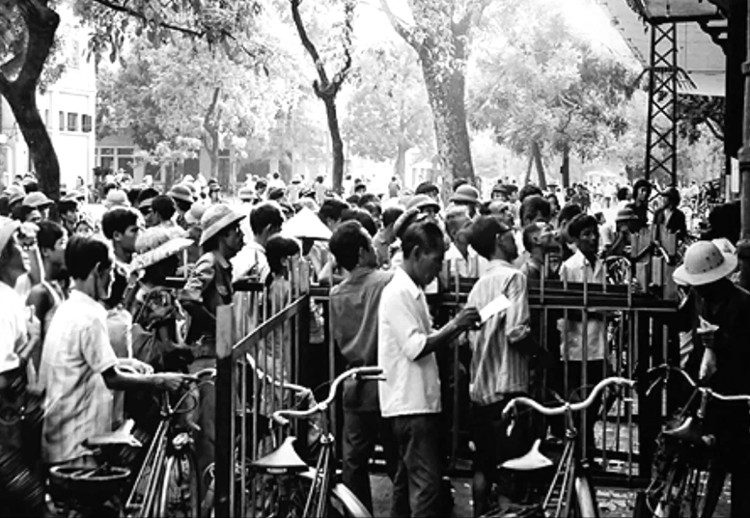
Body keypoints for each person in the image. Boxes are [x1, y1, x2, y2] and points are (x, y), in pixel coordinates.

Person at [39, 235, 190, 469]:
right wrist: (159, 380)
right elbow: (111, 378)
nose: (112, 279)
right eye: (110, 272)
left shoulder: (68, 308)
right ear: (99, 270)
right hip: (77, 442)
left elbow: (88, 362)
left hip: (59, 434)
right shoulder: (90, 316)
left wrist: (126, 362)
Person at [378, 216, 480, 517]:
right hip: (410, 403)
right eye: (435, 260)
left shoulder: (414, 292)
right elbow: (415, 346)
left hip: (417, 399)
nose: (438, 269)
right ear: (415, 253)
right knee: (427, 485)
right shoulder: (397, 293)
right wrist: (455, 326)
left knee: (406, 482)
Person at [673, 241, 750, 517]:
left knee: (739, 461)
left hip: (735, 393)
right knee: (705, 456)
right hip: (703, 388)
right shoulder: (696, 296)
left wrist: (721, 343)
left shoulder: (743, 302)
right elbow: (681, 323)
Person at [466, 215, 537, 516]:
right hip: (508, 386)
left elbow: (469, 336)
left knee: (483, 463)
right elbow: (516, 331)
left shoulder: (479, 285)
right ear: (498, 239)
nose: (514, 238)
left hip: (481, 386)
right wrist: (542, 358)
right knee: (511, 467)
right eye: (509, 233)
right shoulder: (514, 278)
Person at [329, 221, 395, 512]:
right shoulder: (387, 281)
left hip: (354, 383)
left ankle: (358, 512)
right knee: (398, 457)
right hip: (388, 382)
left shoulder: (335, 294)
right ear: (361, 251)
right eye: (369, 244)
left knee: (354, 462)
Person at [180, 203, 245, 481]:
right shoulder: (208, 262)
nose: (241, 236)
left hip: (219, 354)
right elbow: (188, 298)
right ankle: (204, 490)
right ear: (222, 235)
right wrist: (217, 325)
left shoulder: (224, 267)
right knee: (207, 430)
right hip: (205, 356)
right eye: (236, 231)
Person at [0, 218, 46, 517]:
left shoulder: (11, 296)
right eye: (18, 244)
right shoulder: (4, 302)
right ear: (4, 255)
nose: (25, 249)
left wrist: (32, 339)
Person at [557, 214, 609, 463]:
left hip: (598, 343)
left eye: (594, 234)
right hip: (576, 345)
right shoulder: (570, 267)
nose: (592, 239)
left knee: (597, 396)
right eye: (586, 235)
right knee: (579, 400)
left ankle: (586, 446)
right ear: (576, 240)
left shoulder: (601, 264)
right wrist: (596, 311)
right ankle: (580, 450)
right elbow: (566, 307)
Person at [25, 221, 68, 362]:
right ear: (45, 251)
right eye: (61, 243)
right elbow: (36, 345)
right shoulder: (39, 293)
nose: (66, 249)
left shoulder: (59, 287)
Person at [231, 201, 283, 283]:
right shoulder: (261, 262)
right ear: (269, 229)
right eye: (278, 231)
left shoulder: (239, 255)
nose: (280, 237)